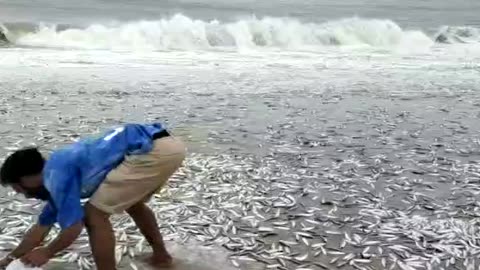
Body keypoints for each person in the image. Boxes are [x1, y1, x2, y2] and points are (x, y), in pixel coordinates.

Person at [0, 122, 186, 269]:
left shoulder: (56, 176)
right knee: (133, 203)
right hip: (166, 145)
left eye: (18, 186)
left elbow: (74, 227)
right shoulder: (57, 168)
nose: (21, 193)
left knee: (94, 215)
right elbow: (41, 227)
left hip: (150, 151)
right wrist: (10, 258)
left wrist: (47, 252)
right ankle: (162, 257)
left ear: (28, 176)